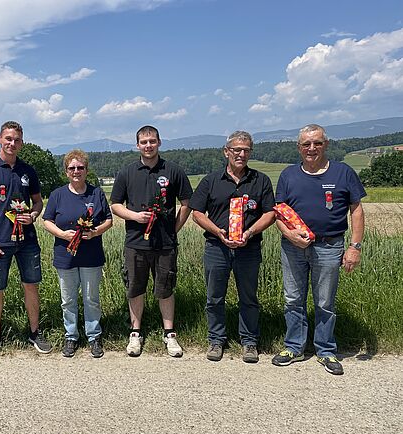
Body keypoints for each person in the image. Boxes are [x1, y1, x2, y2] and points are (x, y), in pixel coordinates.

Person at [272, 124, 366, 375]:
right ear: (299, 147)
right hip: (293, 247)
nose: (311, 148)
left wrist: (354, 247)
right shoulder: (289, 175)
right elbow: (279, 212)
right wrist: (289, 233)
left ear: (326, 144)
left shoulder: (343, 172)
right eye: (306, 144)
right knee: (293, 299)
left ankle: (325, 350)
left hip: (329, 245)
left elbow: (356, 210)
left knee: (325, 301)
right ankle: (294, 347)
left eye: (317, 143)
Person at [190, 131, 275, 363]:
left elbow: (270, 213)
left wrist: (250, 232)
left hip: (249, 248)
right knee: (214, 297)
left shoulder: (261, 180)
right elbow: (197, 213)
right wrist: (217, 231)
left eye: (246, 150)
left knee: (248, 297)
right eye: (236, 149)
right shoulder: (211, 180)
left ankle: (249, 341)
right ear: (226, 151)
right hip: (217, 247)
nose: (241, 154)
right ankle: (216, 340)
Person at [110, 125, 193, 357]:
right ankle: (135, 333)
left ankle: (169, 334)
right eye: (144, 142)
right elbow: (115, 205)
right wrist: (135, 216)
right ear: (137, 145)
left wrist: (174, 229)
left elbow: (187, 203)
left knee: (165, 288)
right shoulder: (127, 172)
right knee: (135, 287)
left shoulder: (173, 170)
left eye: (152, 141)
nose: (148, 146)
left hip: (165, 243)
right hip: (135, 242)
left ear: (159, 142)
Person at [0, 121, 52, 360]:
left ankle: (34, 332)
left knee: (31, 286)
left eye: (16, 139)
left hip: (27, 241)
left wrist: (35, 214)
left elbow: (38, 202)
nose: (12, 143)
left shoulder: (29, 170)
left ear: (22, 142)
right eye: (8, 139)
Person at [42, 150, 113, 358]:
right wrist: (63, 235)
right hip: (65, 256)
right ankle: (71, 336)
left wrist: (95, 232)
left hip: (91, 255)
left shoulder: (97, 193)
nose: (76, 171)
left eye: (80, 167)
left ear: (86, 170)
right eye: (72, 168)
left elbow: (108, 220)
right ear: (66, 172)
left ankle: (94, 335)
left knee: (91, 298)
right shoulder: (57, 195)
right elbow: (47, 221)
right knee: (68, 299)